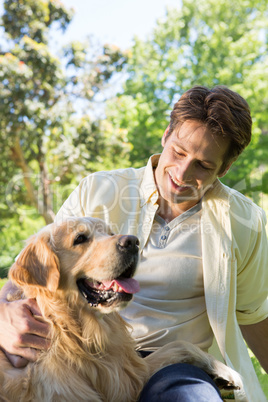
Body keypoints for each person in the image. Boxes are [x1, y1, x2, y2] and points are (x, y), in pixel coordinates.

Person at [0, 86, 268, 401]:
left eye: (204, 166)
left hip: (173, 365)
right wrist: (3, 315)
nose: (182, 173)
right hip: (79, 351)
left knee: (191, 397)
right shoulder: (98, 189)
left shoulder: (245, 222)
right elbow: (34, 269)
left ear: (224, 169)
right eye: (179, 152)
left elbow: (255, 316)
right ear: (166, 135)